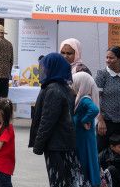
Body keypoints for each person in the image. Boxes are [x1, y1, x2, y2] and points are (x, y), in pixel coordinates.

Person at [30, 53, 84, 187]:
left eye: (46, 67)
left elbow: (47, 120)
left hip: (56, 145)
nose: (43, 71)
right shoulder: (64, 87)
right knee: (66, 179)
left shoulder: (53, 90)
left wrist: (38, 145)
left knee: (58, 180)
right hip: (64, 142)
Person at [70, 72, 104, 187]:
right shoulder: (80, 98)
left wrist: (84, 120)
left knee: (86, 159)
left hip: (84, 136)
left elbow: (94, 110)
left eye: (75, 83)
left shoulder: (84, 99)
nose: (72, 85)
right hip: (82, 135)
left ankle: (89, 182)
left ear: (81, 84)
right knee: (88, 159)